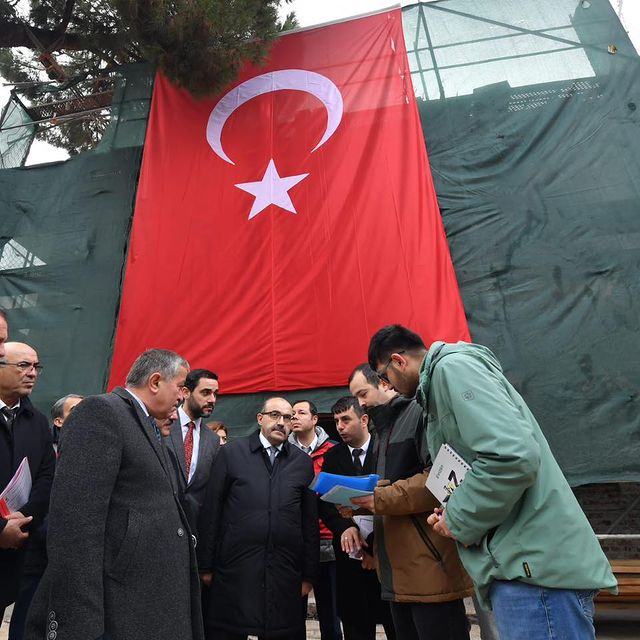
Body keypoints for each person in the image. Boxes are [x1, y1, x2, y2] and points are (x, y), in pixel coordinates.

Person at [367, 325, 618, 640]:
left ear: (398, 360)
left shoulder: (452, 369)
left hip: (533, 573)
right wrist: (452, 510)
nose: (386, 386)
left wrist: (458, 517)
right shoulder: (441, 383)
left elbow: (512, 457)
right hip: (523, 567)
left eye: (383, 376)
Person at [24, 348, 204, 640]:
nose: (183, 396)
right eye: (180, 387)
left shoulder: (147, 425)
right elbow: (75, 525)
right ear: (156, 381)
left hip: (146, 604)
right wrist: (80, 622)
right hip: (117, 610)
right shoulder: (101, 412)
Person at [347, 363, 473, 640]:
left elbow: (441, 481)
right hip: (397, 571)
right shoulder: (382, 429)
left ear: (385, 383)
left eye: (362, 393)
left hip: (430, 565)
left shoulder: (420, 415)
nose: (360, 403)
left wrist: (379, 498)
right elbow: (389, 487)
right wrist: (358, 501)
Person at [198, 396, 319, 640]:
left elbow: (309, 522)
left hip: (284, 571)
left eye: (288, 417)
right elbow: (212, 511)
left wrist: (309, 574)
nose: (282, 422)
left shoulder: (302, 463)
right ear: (260, 418)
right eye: (275, 415)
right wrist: (206, 566)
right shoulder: (232, 454)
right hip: (236, 569)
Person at [319, 396, 395, 640]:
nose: (340, 426)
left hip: (388, 558)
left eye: (346, 420)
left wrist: (372, 550)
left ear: (364, 419)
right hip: (350, 559)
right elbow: (326, 503)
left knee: (397, 624)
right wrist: (344, 529)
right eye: (337, 421)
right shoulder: (333, 457)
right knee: (355, 626)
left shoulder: (386, 449)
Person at [9, 394, 83, 640]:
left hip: (71, 554)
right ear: (59, 420)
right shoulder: (41, 450)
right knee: (27, 616)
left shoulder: (91, 454)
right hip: (34, 546)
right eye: (75, 410)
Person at [0, 339, 55, 627]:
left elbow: (46, 476)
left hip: (14, 549)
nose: (32, 372)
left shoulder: (37, 422)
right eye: (23, 365)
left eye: (36, 367)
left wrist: (21, 518)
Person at [289, 400, 341, 640]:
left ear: (314, 418)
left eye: (301, 412)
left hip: (329, 538)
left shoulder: (333, 450)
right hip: (295, 542)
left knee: (331, 610)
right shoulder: (284, 451)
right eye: (292, 414)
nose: (294, 417)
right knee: (293, 611)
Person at [164, 369, 221, 532]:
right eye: (206, 393)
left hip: (193, 529)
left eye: (215, 394)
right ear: (185, 392)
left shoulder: (213, 440)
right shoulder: (163, 424)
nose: (212, 400)